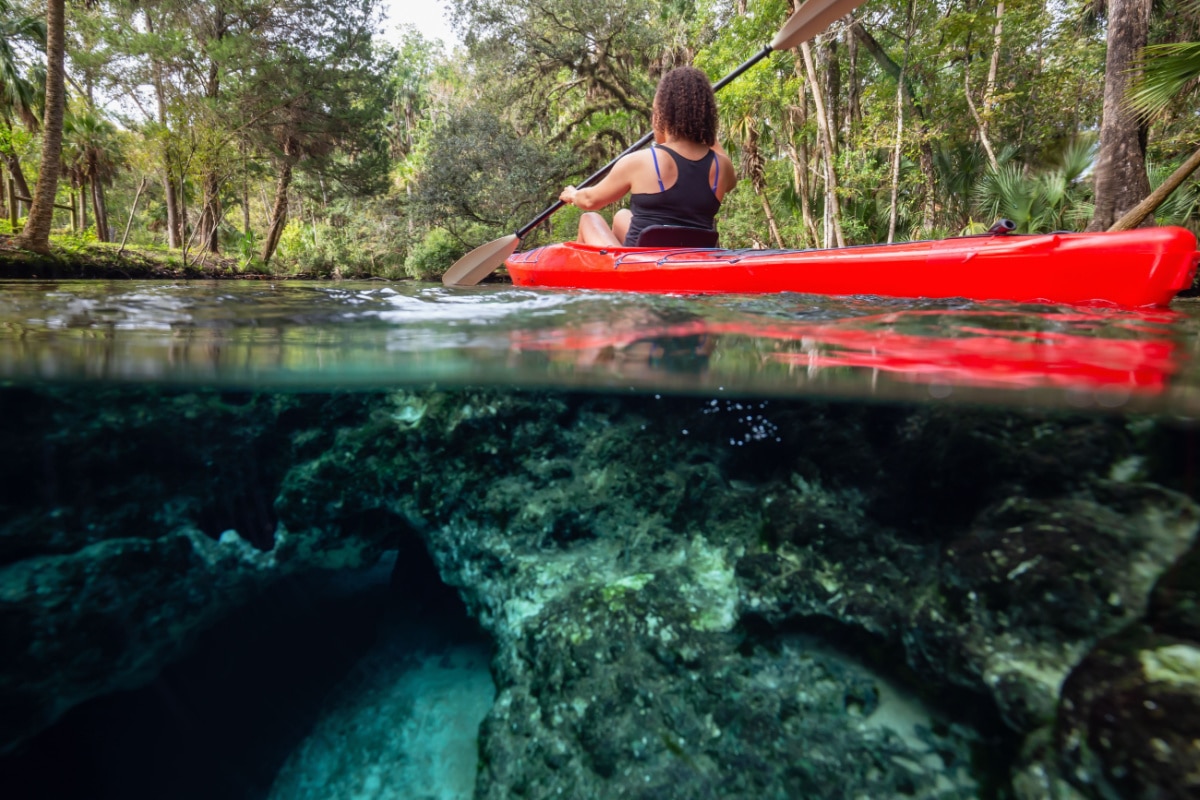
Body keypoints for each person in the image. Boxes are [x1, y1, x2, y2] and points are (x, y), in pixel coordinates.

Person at [559, 66, 737, 247]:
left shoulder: (640, 161)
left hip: (642, 268)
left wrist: (574, 195)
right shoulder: (722, 167)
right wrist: (703, 128)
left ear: (664, 115)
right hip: (689, 261)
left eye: (654, 112)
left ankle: (599, 276)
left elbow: (590, 200)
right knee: (622, 216)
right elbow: (728, 172)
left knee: (589, 219)